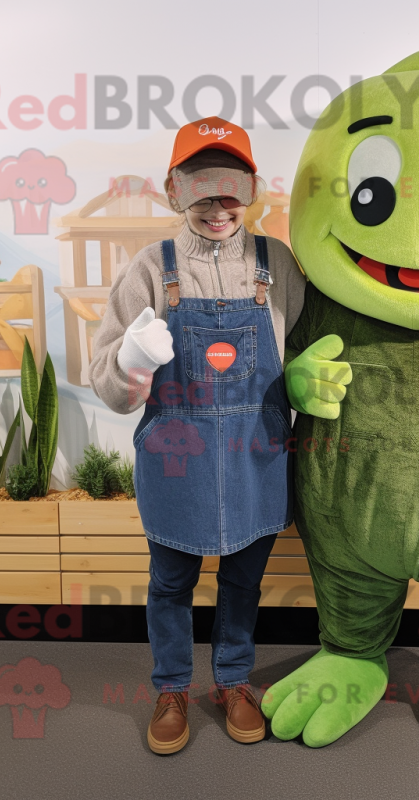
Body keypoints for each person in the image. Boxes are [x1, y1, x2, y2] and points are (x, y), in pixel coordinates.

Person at [88, 116, 307, 754]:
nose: (219, 206)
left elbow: (309, 354)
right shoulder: (149, 269)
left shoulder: (278, 264)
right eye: (201, 188)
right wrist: (131, 362)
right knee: (170, 583)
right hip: (175, 456)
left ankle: (234, 681)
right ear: (173, 189)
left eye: (232, 187)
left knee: (243, 582)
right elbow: (109, 385)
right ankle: (172, 687)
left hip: (256, 455)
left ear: (251, 189)